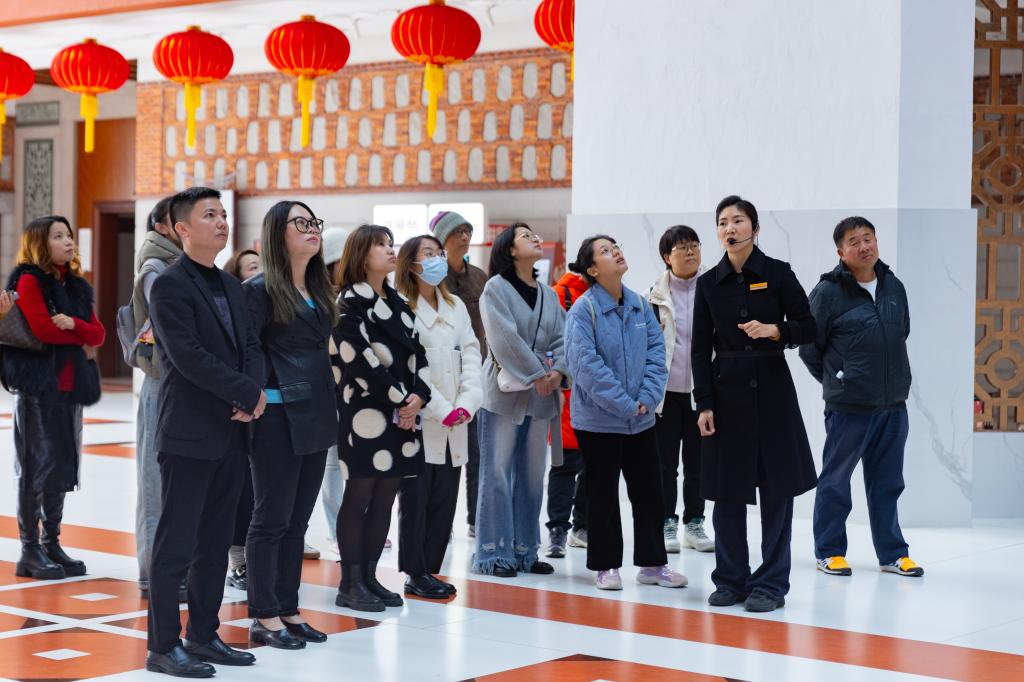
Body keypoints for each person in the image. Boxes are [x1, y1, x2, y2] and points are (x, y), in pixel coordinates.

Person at [145, 187, 267, 678]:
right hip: (190, 432)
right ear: (182, 228)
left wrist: (251, 392)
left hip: (233, 432)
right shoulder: (168, 285)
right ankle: (162, 646)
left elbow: (251, 346)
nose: (221, 222)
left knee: (215, 543)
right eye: (209, 215)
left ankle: (203, 634)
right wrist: (244, 392)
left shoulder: (232, 286)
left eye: (222, 214)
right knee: (176, 545)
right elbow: (187, 356)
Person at [692, 195, 818, 613]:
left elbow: (809, 327)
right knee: (726, 491)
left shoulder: (778, 273)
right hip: (725, 395)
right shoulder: (709, 283)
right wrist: (704, 403)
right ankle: (730, 579)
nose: (729, 228)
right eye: (722, 222)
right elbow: (699, 350)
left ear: (755, 228)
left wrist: (774, 330)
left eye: (738, 220)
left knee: (778, 491)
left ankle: (771, 584)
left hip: (773, 393)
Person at [799, 217, 923, 578]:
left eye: (868, 238)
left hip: (892, 404)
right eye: (854, 242)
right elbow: (809, 348)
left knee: (888, 482)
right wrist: (840, 381)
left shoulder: (894, 286)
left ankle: (893, 554)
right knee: (836, 481)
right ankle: (829, 551)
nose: (864, 246)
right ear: (841, 252)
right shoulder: (828, 292)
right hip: (849, 408)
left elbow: (901, 332)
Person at [564, 236, 686, 591]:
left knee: (650, 492)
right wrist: (624, 404)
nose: (616, 251)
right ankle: (606, 566)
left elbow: (657, 353)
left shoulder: (638, 304)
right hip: (599, 421)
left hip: (641, 418)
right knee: (602, 494)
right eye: (605, 251)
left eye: (616, 246)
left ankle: (653, 564)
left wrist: (647, 398)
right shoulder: (583, 310)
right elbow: (586, 366)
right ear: (591, 269)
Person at [243, 201, 337, 649]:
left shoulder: (318, 289)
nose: (311, 229)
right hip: (276, 415)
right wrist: (254, 395)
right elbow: (247, 349)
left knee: (298, 522)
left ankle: (288, 607)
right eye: (301, 223)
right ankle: (263, 614)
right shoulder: (259, 290)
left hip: (316, 411)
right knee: (271, 519)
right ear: (277, 234)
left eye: (314, 222)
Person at [331, 224, 430, 612]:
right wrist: (401, 400)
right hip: (365, 415)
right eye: (380, 245)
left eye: (391, 243)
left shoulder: (399, 303)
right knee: (360, 494)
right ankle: (350, 582)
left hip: (402, 414)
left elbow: (419, 355)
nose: (391, 250)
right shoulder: (347, 303)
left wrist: (419, 396)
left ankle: (370, 576)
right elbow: (359, 361)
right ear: (360, 253)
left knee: (386, 495)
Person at [2, 216, 101, 580]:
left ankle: (51, 543)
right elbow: (43, 330)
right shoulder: (29, 280)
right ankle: (29, 551)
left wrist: (73, 324)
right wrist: (80, 336)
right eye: (58, 236)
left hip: (70, 387)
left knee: (60, 466)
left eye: (69, 234)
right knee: (36, 468)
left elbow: (99, 333)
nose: (68, 241)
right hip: (38, 389)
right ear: (40, 244)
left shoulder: (74, 284)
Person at [473, 222, 566, 578]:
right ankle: (494, 552)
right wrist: (537, 373)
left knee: (531, 474)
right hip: (504, 394)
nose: (536, 239)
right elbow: (503, 338)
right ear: (509, 249)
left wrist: (558, 372)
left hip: (541, 395)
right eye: (526, 236)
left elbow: (563, 338)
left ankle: (525, 550)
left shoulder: (549, 294)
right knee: (497, 472)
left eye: (535, 235)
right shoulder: (495, 288)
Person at [395, 235, 482, 599]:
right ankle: (415, 572)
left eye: (439, 253)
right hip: (421, 418)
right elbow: (410, 367)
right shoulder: (401, 305)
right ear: (411, 264)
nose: (437, 260)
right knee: (416, 498)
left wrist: (468, 402)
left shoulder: (455, 305)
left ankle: (430, 569)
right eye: (427, 254)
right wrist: (443, 409)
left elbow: (472, 352)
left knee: (445, 497)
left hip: (457, 417)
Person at [133, 197, 188, 600]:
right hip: (161, 379)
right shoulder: (156, 265)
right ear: (165, 227)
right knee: (155, 483)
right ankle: (154, 575)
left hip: (179, 382)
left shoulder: (179, 264)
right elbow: (169, 325)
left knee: (176, 483)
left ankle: (172, 571)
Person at [648, 225, 714, 554]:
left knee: (699, 463)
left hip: (701, 393)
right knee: (664, 465)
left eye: (694, 245)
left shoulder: (713, 288)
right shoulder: (653, 297)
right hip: (666, 395)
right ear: (666, 257)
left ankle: (695, 522)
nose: (690, 252)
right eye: (682, 247)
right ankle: (666, 521)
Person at [430, 211, 487, 539]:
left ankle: (475, 518)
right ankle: (440, 520)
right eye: (457, 232)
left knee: (476, 452)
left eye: (468, 231)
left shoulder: (479, 276)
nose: (464, 237)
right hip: (439, 376)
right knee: (441, 453)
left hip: (474, 373)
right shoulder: (433, 277)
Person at [545, 268, 588, 558]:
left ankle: (581, 526)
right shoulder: (560, 295)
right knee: (565, 465)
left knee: (592, 466)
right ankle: (559, 528)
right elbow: (549, 344)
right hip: (566, 395)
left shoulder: (609, 295)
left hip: (595, 397)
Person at [222, 253, 258, 590]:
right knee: (241, 491)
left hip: (264, 406)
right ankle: (238, 562)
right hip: (237, 409)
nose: (260, 273)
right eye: (252, 268)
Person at [317, 227, 349, 556]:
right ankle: (336, 528)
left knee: (352, 462)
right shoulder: (322, 298)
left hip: (350, 392)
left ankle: (352, 523)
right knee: (331, 466)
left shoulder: (352, 294)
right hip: (327, 392)